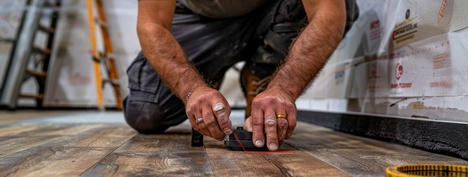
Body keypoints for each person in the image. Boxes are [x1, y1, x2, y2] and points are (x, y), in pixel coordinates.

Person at [124, 0, 358, 151]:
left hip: (273, 11)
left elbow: (327, 14)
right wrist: (192, 89)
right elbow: (151, 24)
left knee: (341, 5)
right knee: (147, 112)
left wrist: (284, 89)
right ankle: (206, 76)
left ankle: (262, 75)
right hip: (199, 21)